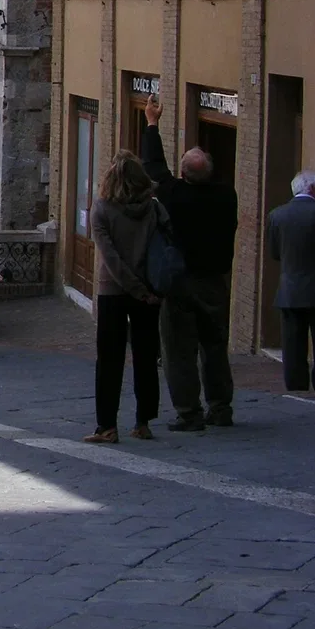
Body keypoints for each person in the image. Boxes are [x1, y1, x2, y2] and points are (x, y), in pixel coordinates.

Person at [140, 96, 238, 429]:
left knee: (179, 350)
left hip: (181, 283)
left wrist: (151, 123)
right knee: (215, 346)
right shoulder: (228, 196)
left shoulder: (174, 195)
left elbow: (153, 168)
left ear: (183, 175)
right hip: (215, 281)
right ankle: (221, 407)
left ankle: (188, 412)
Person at [86, 151, 163, 444]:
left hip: (113, 292)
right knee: (145, 356)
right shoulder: (154, 209)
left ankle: (107, 426)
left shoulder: (102, 210)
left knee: (109, 359)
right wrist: (146, 291)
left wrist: (134, 288)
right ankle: (143, 422)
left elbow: (111, 258)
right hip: (148, 292)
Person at [265, 170, 315, 393]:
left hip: (290, 288)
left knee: (292, 342)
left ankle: (295, 383)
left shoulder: (276, 215)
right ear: (312, 188)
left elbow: (274, 252)